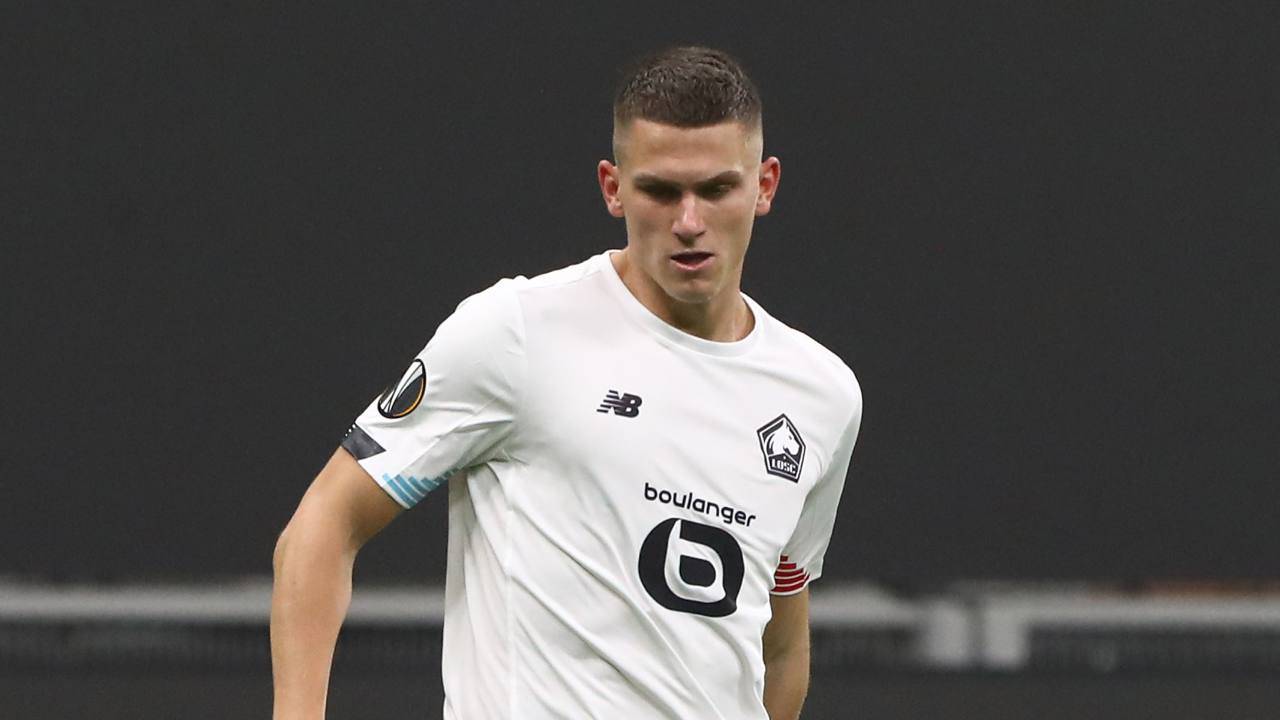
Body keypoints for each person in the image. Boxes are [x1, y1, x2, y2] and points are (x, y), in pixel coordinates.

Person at [271, 45, 862, 720]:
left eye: (716, 189)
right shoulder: (518, 331)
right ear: (613, 188)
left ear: (765, 185)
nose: (689, 222)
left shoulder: (821, 395)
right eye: (660, 191)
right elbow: (325, 523)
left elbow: (780, 643)